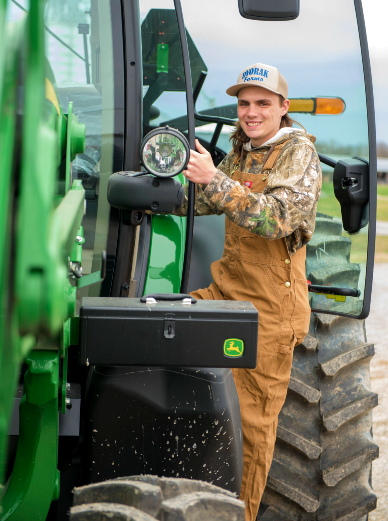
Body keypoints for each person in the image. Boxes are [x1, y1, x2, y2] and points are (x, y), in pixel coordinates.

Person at [176, 62, 322, 521]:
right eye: (244, 103)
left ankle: (238, 515)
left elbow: (275, 218)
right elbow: (198, 201)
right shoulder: (243, 153)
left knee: (252, 430)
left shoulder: (298, 154)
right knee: (155, 330)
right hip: (225, 293)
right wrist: (158, 180)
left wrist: (213, 179)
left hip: (269, 311)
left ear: (283, 108)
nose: (251, 112)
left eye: (262, 103)